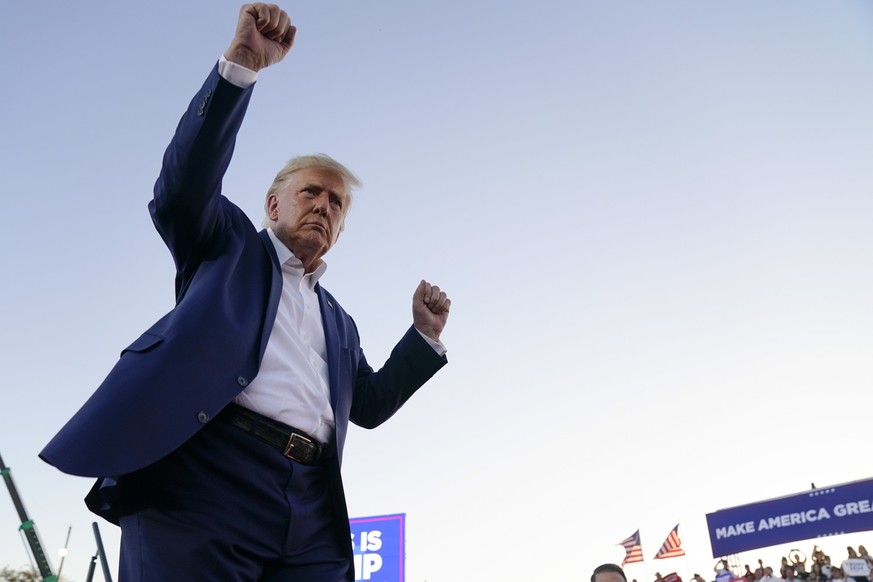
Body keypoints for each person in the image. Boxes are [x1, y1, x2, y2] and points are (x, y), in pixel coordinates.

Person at [39, 4, 451, 580]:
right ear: (273, 204)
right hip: (206, 475)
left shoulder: (340, 323)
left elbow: (371, 405)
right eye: (312, 192)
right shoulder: (227, 247)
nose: (324, 207)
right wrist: (240, 69)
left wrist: (423, 338)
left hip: (309, 501)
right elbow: (183, 190)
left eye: (336, 204)